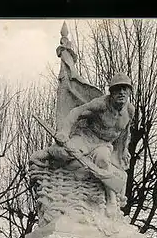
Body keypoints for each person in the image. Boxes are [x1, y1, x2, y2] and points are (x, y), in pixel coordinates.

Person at [29, 73, 134, 211]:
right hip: (87, 138)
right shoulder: (101, 104)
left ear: (129, 91)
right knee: (66, 153)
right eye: (118, 89)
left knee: (102, 159)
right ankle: (48, 154)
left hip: (104, 144)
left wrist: (124, 149)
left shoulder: (130, 110)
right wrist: (64, 132)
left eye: (125, 89)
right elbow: (76, 112)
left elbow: (125, 131)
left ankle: (111, 200)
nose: (121, 92)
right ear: (111, 92)